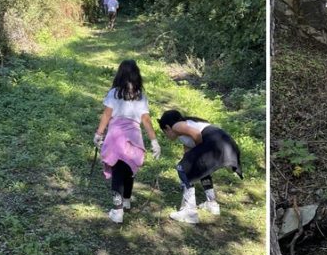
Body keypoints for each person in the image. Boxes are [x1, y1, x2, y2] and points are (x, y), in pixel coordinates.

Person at [93, 60, 161, 223]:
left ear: (120, 75)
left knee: (117, 171)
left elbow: (107, 115)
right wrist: (154, 141)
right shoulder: (141, 96)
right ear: (137, 75)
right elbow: (145, 119)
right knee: (129, 170)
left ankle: (117, 211)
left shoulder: (114, 93)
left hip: (116, 136)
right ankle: (127, 201)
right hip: (134, 135)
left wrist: (98, 134)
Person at [158, 110, 243, 224]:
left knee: (181, 168)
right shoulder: (184, 133)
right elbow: (188, 158)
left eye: (165, 132)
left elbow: (197, 135)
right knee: (197, 168)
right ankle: (212, 203)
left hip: (214, 142)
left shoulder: (177, 126)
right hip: (226, 144)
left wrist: (199, 150)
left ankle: (190, 212)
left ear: (168, 127)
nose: (166, 136)